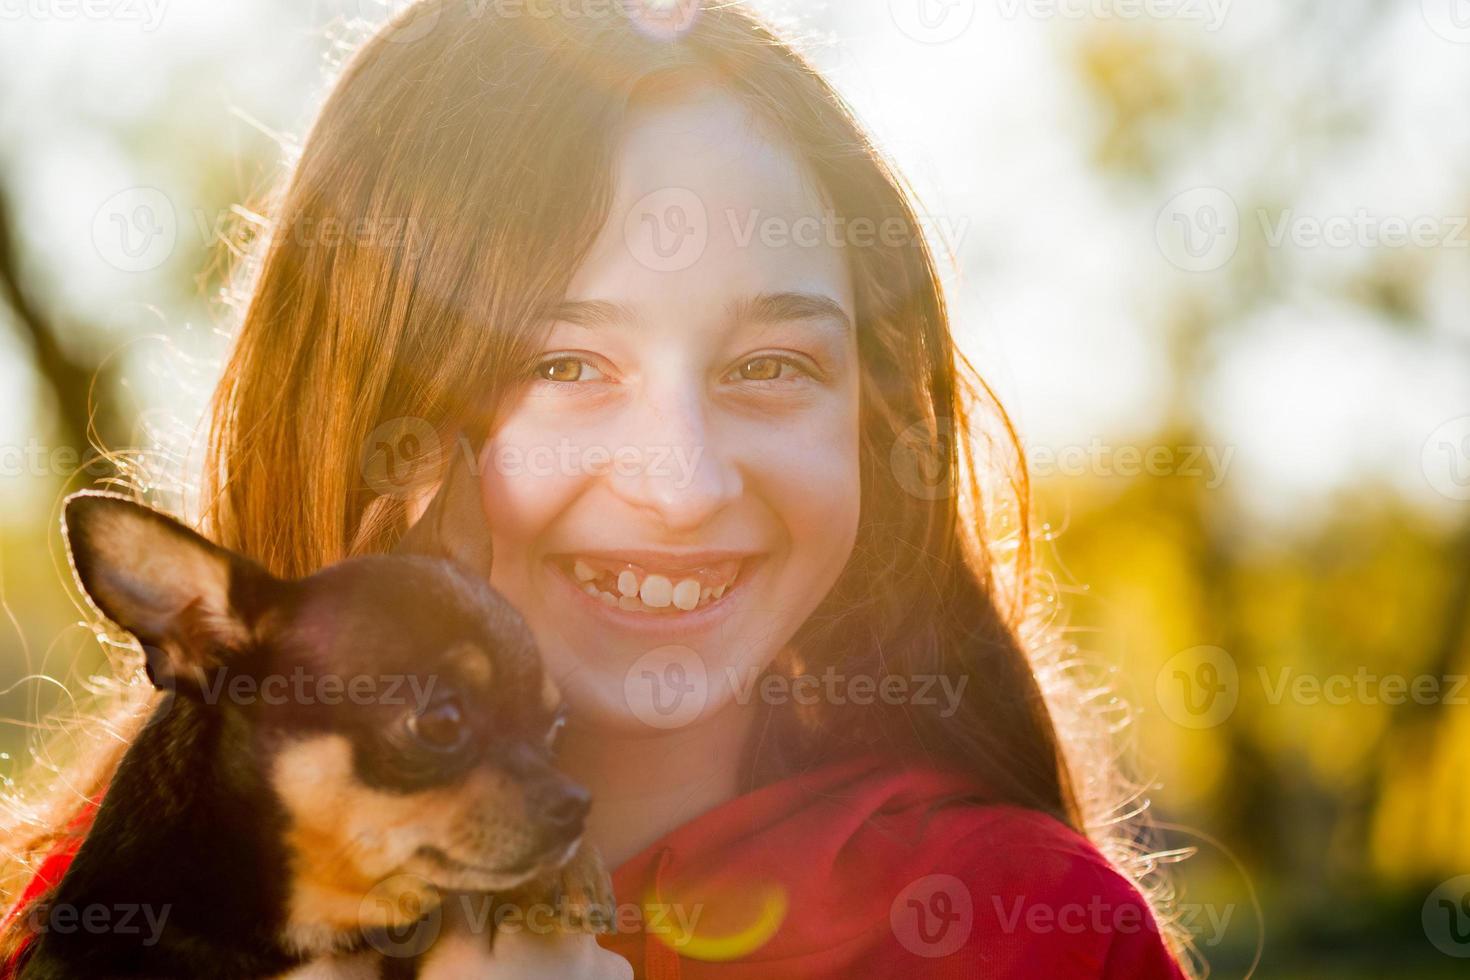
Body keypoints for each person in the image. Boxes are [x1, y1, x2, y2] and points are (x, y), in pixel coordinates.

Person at [1, 2, 1190, 976]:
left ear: (877, 424)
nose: (681, 482)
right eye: (558, 363)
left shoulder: (1023, 932)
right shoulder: (76, 934)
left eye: (771, 365)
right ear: (364, 412)